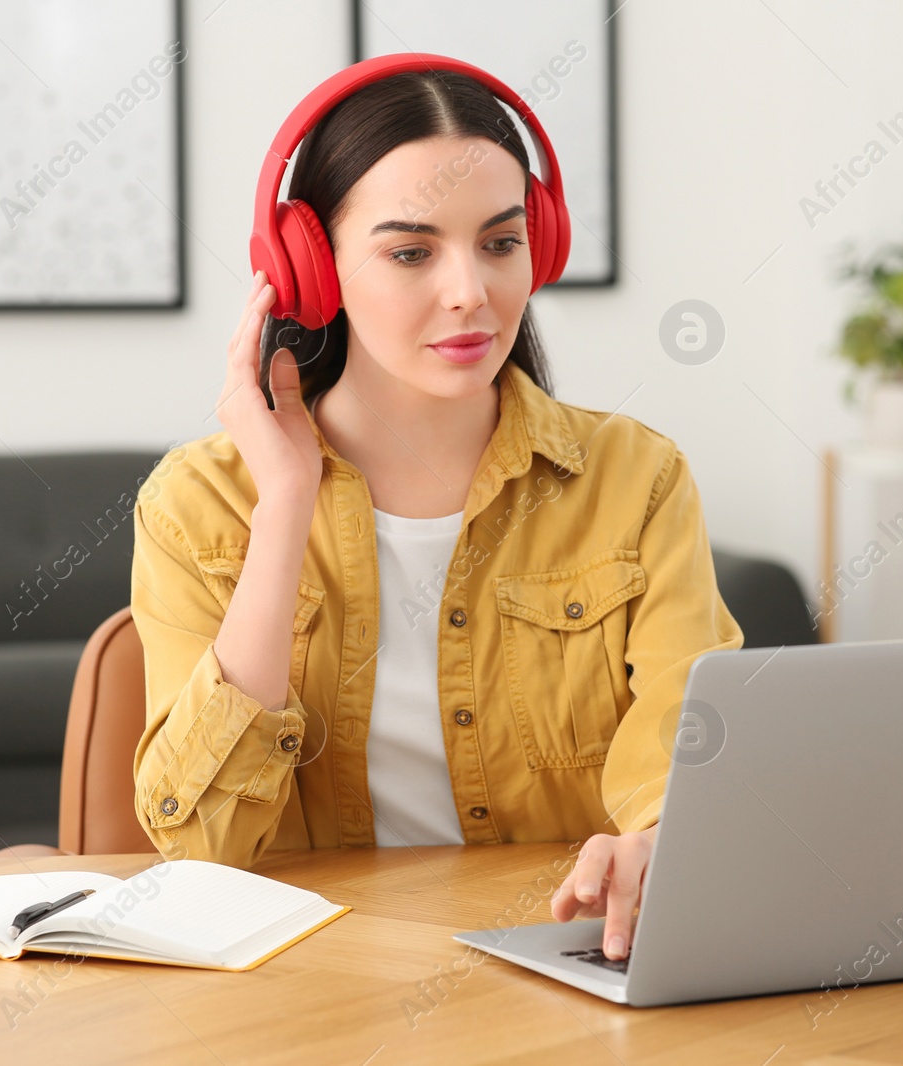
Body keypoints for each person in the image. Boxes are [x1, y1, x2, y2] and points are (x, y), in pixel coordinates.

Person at [130, 63, 743, 963]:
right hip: (310, 985)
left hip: (565, 960)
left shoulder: (636, 477)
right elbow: (201, 848)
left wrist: (658, 843)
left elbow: (688, 746)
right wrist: (286, 502)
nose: (470, 292)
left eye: (499, 243)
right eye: (411, 252)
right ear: (310, 268)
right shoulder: (198, 505)